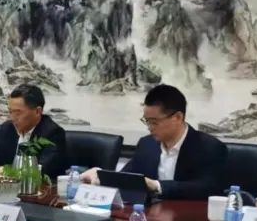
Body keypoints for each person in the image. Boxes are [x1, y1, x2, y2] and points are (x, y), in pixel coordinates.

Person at [81, 84, 226, 199]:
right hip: (151, 218)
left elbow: (208, 189)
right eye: (147, 121)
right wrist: (100, 175)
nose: (149, 128)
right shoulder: (147, 144)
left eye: (154, 122)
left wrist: (156, 185)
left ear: (178, 117)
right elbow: (127, 178)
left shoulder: (208, 147)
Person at [0, 84, 68, 178]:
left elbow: (42, 170)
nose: (12, 118)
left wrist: (4, 171)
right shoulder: (8, 128)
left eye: (18, 113)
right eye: (10, 112)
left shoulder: (53, 133)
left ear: (37, 111)